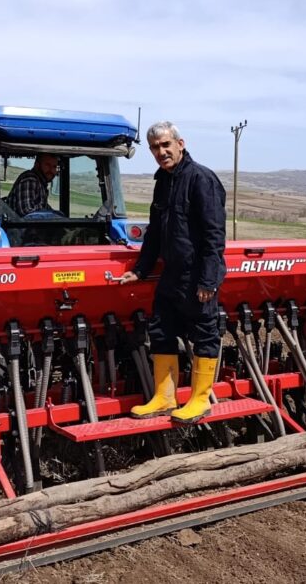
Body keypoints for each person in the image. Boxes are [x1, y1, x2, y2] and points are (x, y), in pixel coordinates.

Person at [118, 121, 227, 424]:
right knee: (161, 330)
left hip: (197, 276)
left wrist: (208, 279)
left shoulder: (201, 179)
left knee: (205, 333)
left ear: (181, 143)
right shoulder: (162, 182)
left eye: (166, 145)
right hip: (171, 274)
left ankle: (200, 400)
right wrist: (140, 270)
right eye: (155, 147)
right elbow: (154, 234)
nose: (161, 152)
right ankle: (164, 398)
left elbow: (214, 235)